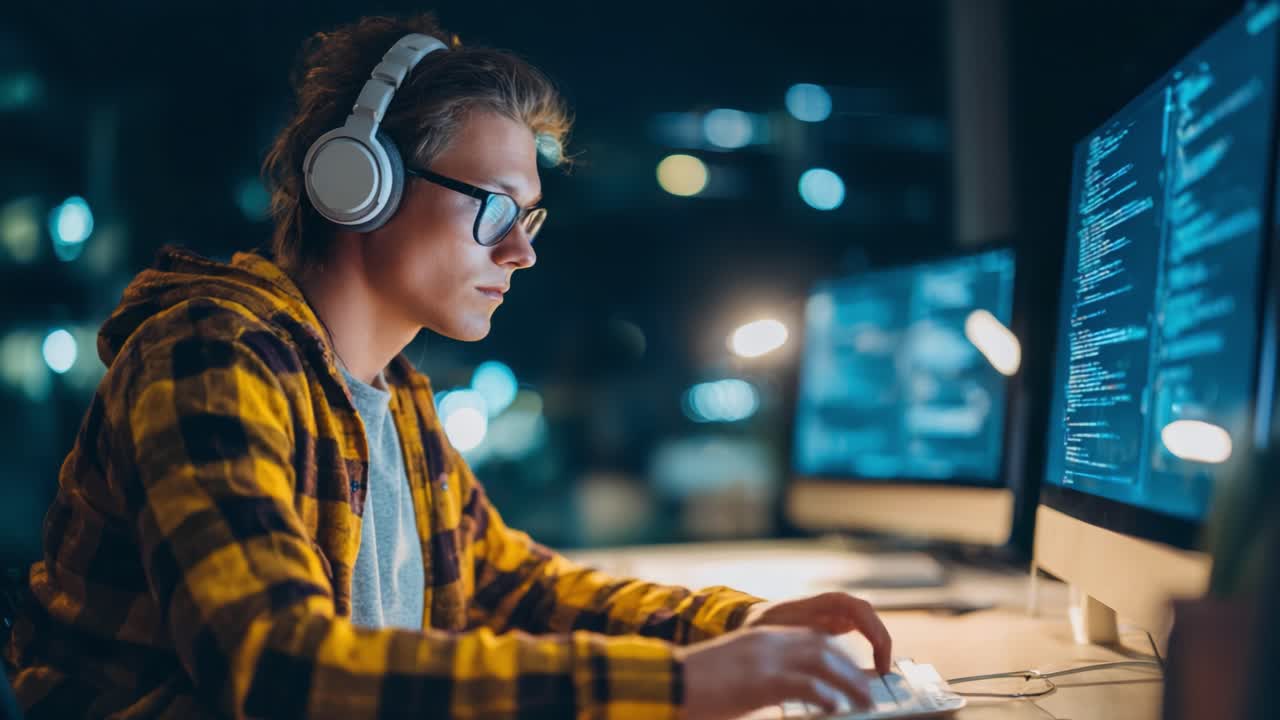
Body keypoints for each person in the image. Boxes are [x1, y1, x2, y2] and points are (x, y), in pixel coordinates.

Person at [3, 13, 890, 719]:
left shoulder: (394, 398)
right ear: (361, 181)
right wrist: (686, 690)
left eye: (529, 217)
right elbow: (277, 672)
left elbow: (513, 586)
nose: (519, 252)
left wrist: (737, 625)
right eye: (495, 205)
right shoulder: (206, 357)